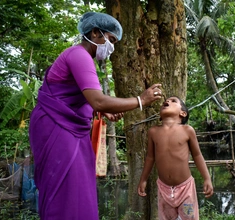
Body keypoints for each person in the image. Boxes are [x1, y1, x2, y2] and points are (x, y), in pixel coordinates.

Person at [29, 12, 162, 220]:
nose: (112, 47)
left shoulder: (83, 57)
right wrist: (140, 100)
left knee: (79, 187)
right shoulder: (78, 55)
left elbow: (83, 99)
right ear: (95, 33)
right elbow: (97, 99)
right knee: (64, 186)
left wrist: (100, 109)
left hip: (71, 130)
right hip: (57, 128)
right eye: (110, 40)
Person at [137, 96, 213, 220]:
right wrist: (143, 179)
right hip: (163, 188)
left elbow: (197, 155)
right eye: (165, 102)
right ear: (160, 116)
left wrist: (207, 178)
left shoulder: (188, 130)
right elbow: (150, 157)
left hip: (185, 188)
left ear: (183, 113)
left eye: (173, 101)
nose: (167, 102)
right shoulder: (153, 132)